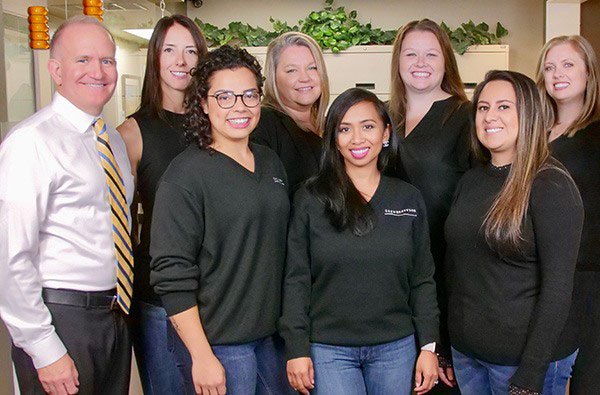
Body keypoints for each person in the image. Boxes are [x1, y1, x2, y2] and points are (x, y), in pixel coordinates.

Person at [0, 16, 134, 394]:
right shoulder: (31, 143)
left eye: (107, 60)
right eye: (83, 60)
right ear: (55, 70)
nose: (98, 71)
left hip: (113, 317)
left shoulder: (111, 141)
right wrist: (44, 348)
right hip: (62, 319)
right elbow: (10, 256)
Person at [150, 45, 291, 395]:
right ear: (203, 103)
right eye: (224, 97)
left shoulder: (270, 162)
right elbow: (171, 273)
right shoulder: (185, 175)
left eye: (248, 95)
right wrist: (201, 355)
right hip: (219, 346)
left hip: (272, 340)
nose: (239, 107)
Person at [280, 87, 440, 395]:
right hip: (329, 350)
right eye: (344, 128)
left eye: (367, 126)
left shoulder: (408, 197)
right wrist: (297, 348)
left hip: (396, 348)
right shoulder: (310, 199)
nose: (357, 139)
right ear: (333, 139)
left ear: (385, 133)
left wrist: (429, 347)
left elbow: (423, 279)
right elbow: (296, 279)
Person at [445, 70, 584, 395]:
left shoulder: (550, 185)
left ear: (530, 115)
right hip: (468, 357)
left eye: (504, 107)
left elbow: (558, 289)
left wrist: (530, 376)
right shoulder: (472, 181)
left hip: (525, 365)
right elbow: (457, 269)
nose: (490, 116)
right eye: (483, 107)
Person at [117, 14, 208, 394]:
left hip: (216, 295)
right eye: (170, 50)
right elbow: (117, 223)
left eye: (190, 51)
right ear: (155, 57)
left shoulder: (218, 122)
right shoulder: (133, 132)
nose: (181, 61)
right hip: (159, 299)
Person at [386, 18, 471, 390]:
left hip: (446, 269)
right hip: (389, 268)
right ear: (398, 61)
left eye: (431, 54)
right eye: (411, 54)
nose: (421, 63)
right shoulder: (383, 116)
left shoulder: (465, 116)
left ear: (446, 61)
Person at [535, 35, 600, 395]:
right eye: (549, 67)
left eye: (568, 64)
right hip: (543, 276)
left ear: (589, 73)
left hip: (590, 279)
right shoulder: (535, 134)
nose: (557, 74)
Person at [251, 32, 330, 192]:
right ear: (274, 78)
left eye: (312, 68)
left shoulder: (331, 126)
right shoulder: (263, 123)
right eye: (291, 70)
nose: (305, 78)